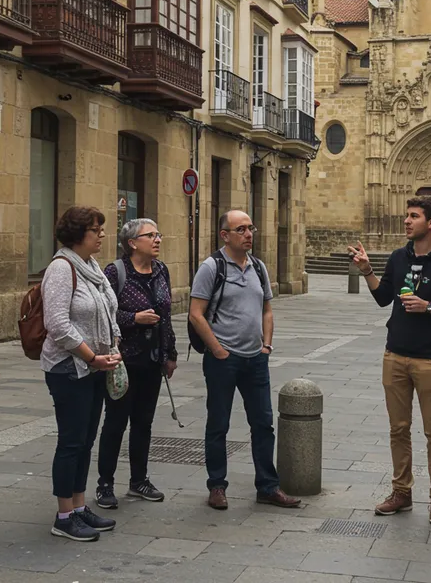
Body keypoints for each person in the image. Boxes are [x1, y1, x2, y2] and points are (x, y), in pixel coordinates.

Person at [348, 195, 431, 525]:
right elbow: (383, 296)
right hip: (395, 355)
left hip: (430, 360)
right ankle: (401, 492)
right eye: (406, 216)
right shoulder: (398, 257)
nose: (406, 221)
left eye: (413, 216)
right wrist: (367, 270)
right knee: (398, 429)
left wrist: (428, 306)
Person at [189, 210, 300, 511]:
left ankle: (267, 486)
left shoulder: (259, 267)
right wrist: (218, 349)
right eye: (241, 229)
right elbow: (195, 313)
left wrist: (266, 345)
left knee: (263, 423)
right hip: (223, 359)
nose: (249, 234)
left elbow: (267, 309)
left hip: (255, 360)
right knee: (218, 424)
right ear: (225, 235)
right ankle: (217, 486)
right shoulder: (212, 267)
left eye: (251, 227)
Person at [40, 206, 120, 541]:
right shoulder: (61, 268)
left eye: (101, 229)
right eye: (95, 230)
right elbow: (57, 324)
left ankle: (79, 505)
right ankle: (63, 516)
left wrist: (114, 346)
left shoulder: (92, 267)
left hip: (95, 366)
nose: (101, 235)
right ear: (78, 234)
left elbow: (108, 309)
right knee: (71, 441)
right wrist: (92, 356)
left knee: (86, 440)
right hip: (69, 368)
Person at [95, 218, 177, 509]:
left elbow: (166, 315)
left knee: (143, 423)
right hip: (122, 361)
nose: (157, 240)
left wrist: (170, 353)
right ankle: (105, 484)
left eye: (158, 234)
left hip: (152, 360)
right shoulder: (115, 272)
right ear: (132, 243)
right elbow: (103, 317)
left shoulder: (161, 271)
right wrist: (134, 319)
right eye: (150, 235)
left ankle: (139, 481)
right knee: (115, 423)